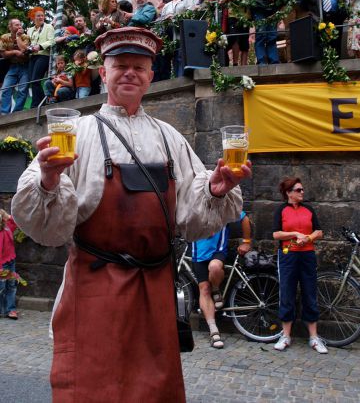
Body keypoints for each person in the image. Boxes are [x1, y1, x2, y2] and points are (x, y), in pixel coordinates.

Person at [12, 26, 251, 402]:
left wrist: (215, 191)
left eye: (139, 66)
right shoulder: (77, 132)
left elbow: (191, 216)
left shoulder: (170, 138)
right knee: (91, 388)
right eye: (120, 64)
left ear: (150, 76)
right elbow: (46, 228)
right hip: (94, 286)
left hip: (155, 287)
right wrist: (47, 180)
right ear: (102, 73)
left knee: (154, 389)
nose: (130, 72)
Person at [272, 177, 327, 354]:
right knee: (287, 292)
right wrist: (295, 233)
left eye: (302, 189)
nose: (302, 192)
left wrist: (308, 238)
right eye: (298, 190)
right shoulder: (281, 210)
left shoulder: (308, 209)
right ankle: (286, 335)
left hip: (307, 255)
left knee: (310, 292)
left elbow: (319, 232)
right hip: (288, 256)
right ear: (288, 193)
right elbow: (276, 234)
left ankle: (313, 337)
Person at [192, 211, 251, 349]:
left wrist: (247, 242)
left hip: (218, 251)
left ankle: (216, 289)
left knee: (214, 267)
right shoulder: (194, 204)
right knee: (203, 289)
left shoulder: (224, 204)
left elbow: (244, 218)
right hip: (197, 252)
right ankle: (213, 331)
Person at [220, 0, 250, 66]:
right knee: (234, 39)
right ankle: (236, 64)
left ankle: (244, 65)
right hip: (232, 15)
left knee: (245, 41)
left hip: (245, 16)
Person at [0, 19, 30, 114]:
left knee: (22, 90)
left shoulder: (25, 37)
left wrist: (18, 37)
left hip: (25, 66)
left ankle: (17, 112)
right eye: (16, 25)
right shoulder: (4, 37)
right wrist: (14, 52)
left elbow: (24, 53)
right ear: (10, 27)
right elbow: (3, 54)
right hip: (12, 66)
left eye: (20, 24)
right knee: (5, 89)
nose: (19, 27)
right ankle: (4, 112)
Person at [27, 7, 55, 107]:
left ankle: (37, 104)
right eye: (38, 16)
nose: (41, 17)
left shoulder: (49, 27)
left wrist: (40, 46)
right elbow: (28, 43)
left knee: (35, 80)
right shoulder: (30, 30)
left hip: (43, 55)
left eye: (42, 15)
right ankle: (39, 102)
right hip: (32, 56)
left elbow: (52, 41)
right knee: (32, 81)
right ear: (33, 18)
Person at [0, 209, 18, 320]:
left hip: (11, 261)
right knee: (1, 287)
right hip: (2, 264)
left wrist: (8, 216)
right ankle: (2, 310)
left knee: (11, 286)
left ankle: (11, 310)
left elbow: (15, 222)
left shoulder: (7, 227)